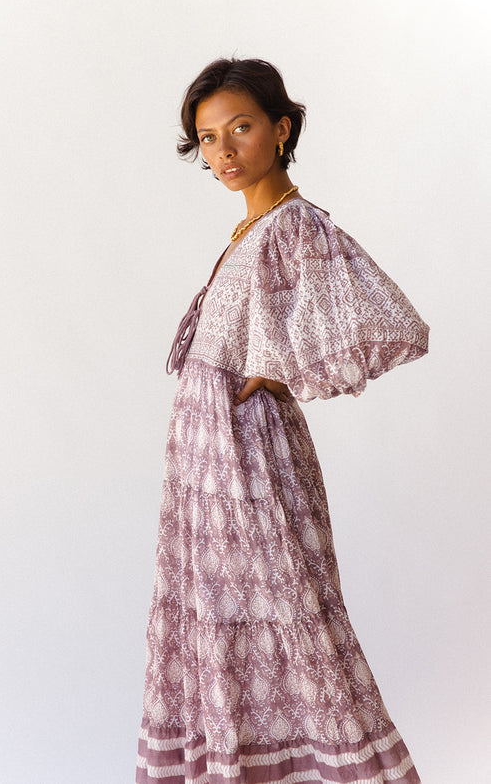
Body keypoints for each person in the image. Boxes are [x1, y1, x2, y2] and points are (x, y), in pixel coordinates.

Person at [135, 58, 428, 784]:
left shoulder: (295, 225)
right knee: (222, 626)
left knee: (292, 620)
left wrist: (285, 367)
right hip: (206, 470)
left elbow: (394, 324)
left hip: (251, 463)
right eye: (208, 138)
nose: (224, 151)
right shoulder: (250, 230)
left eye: (240, 128)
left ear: (281, 129)